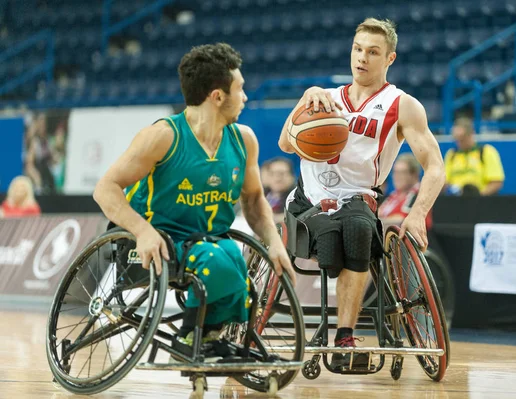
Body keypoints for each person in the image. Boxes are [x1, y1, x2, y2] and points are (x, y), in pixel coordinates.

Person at [93, 43, 295, 360]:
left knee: (230, 254)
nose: (245, 97)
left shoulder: (244, 140)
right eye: (240, 89)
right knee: (218, 257)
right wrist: (143, 231)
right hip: (150, 240)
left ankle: (209, 336)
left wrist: (273, 242)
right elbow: (105, 189)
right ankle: (190, 339)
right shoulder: (163, 136)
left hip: (206, 242)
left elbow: (254, 199)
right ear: (217, 97)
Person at [278, 18, 445, 370]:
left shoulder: (403, 106)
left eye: (373, 52)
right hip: (311, 200)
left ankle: (344, 336)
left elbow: (436, 167)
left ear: (390, 59)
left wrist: (416, 214)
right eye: (357, 49)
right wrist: (305, 100)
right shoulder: (323, 97)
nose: (362, 58)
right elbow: (284, 145)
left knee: (357, 229)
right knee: (334, 235)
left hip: (359, 200)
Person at [444, 117, 505, 196]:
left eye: (462, 139)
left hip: (481, 202)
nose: (459, 143)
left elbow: (497, 182)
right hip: (455, 201)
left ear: (472, 134)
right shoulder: (451, 154)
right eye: (457, 139)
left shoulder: (486, 152)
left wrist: (478, 196)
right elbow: (444, 182)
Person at [379, 154, 432, 230]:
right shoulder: (394, 195)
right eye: (395, 172)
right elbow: (379, 214)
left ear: (414, 174)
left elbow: (402, 219)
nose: (397, 176)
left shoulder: (418, 193)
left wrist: (378, 222)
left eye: (402, 172)